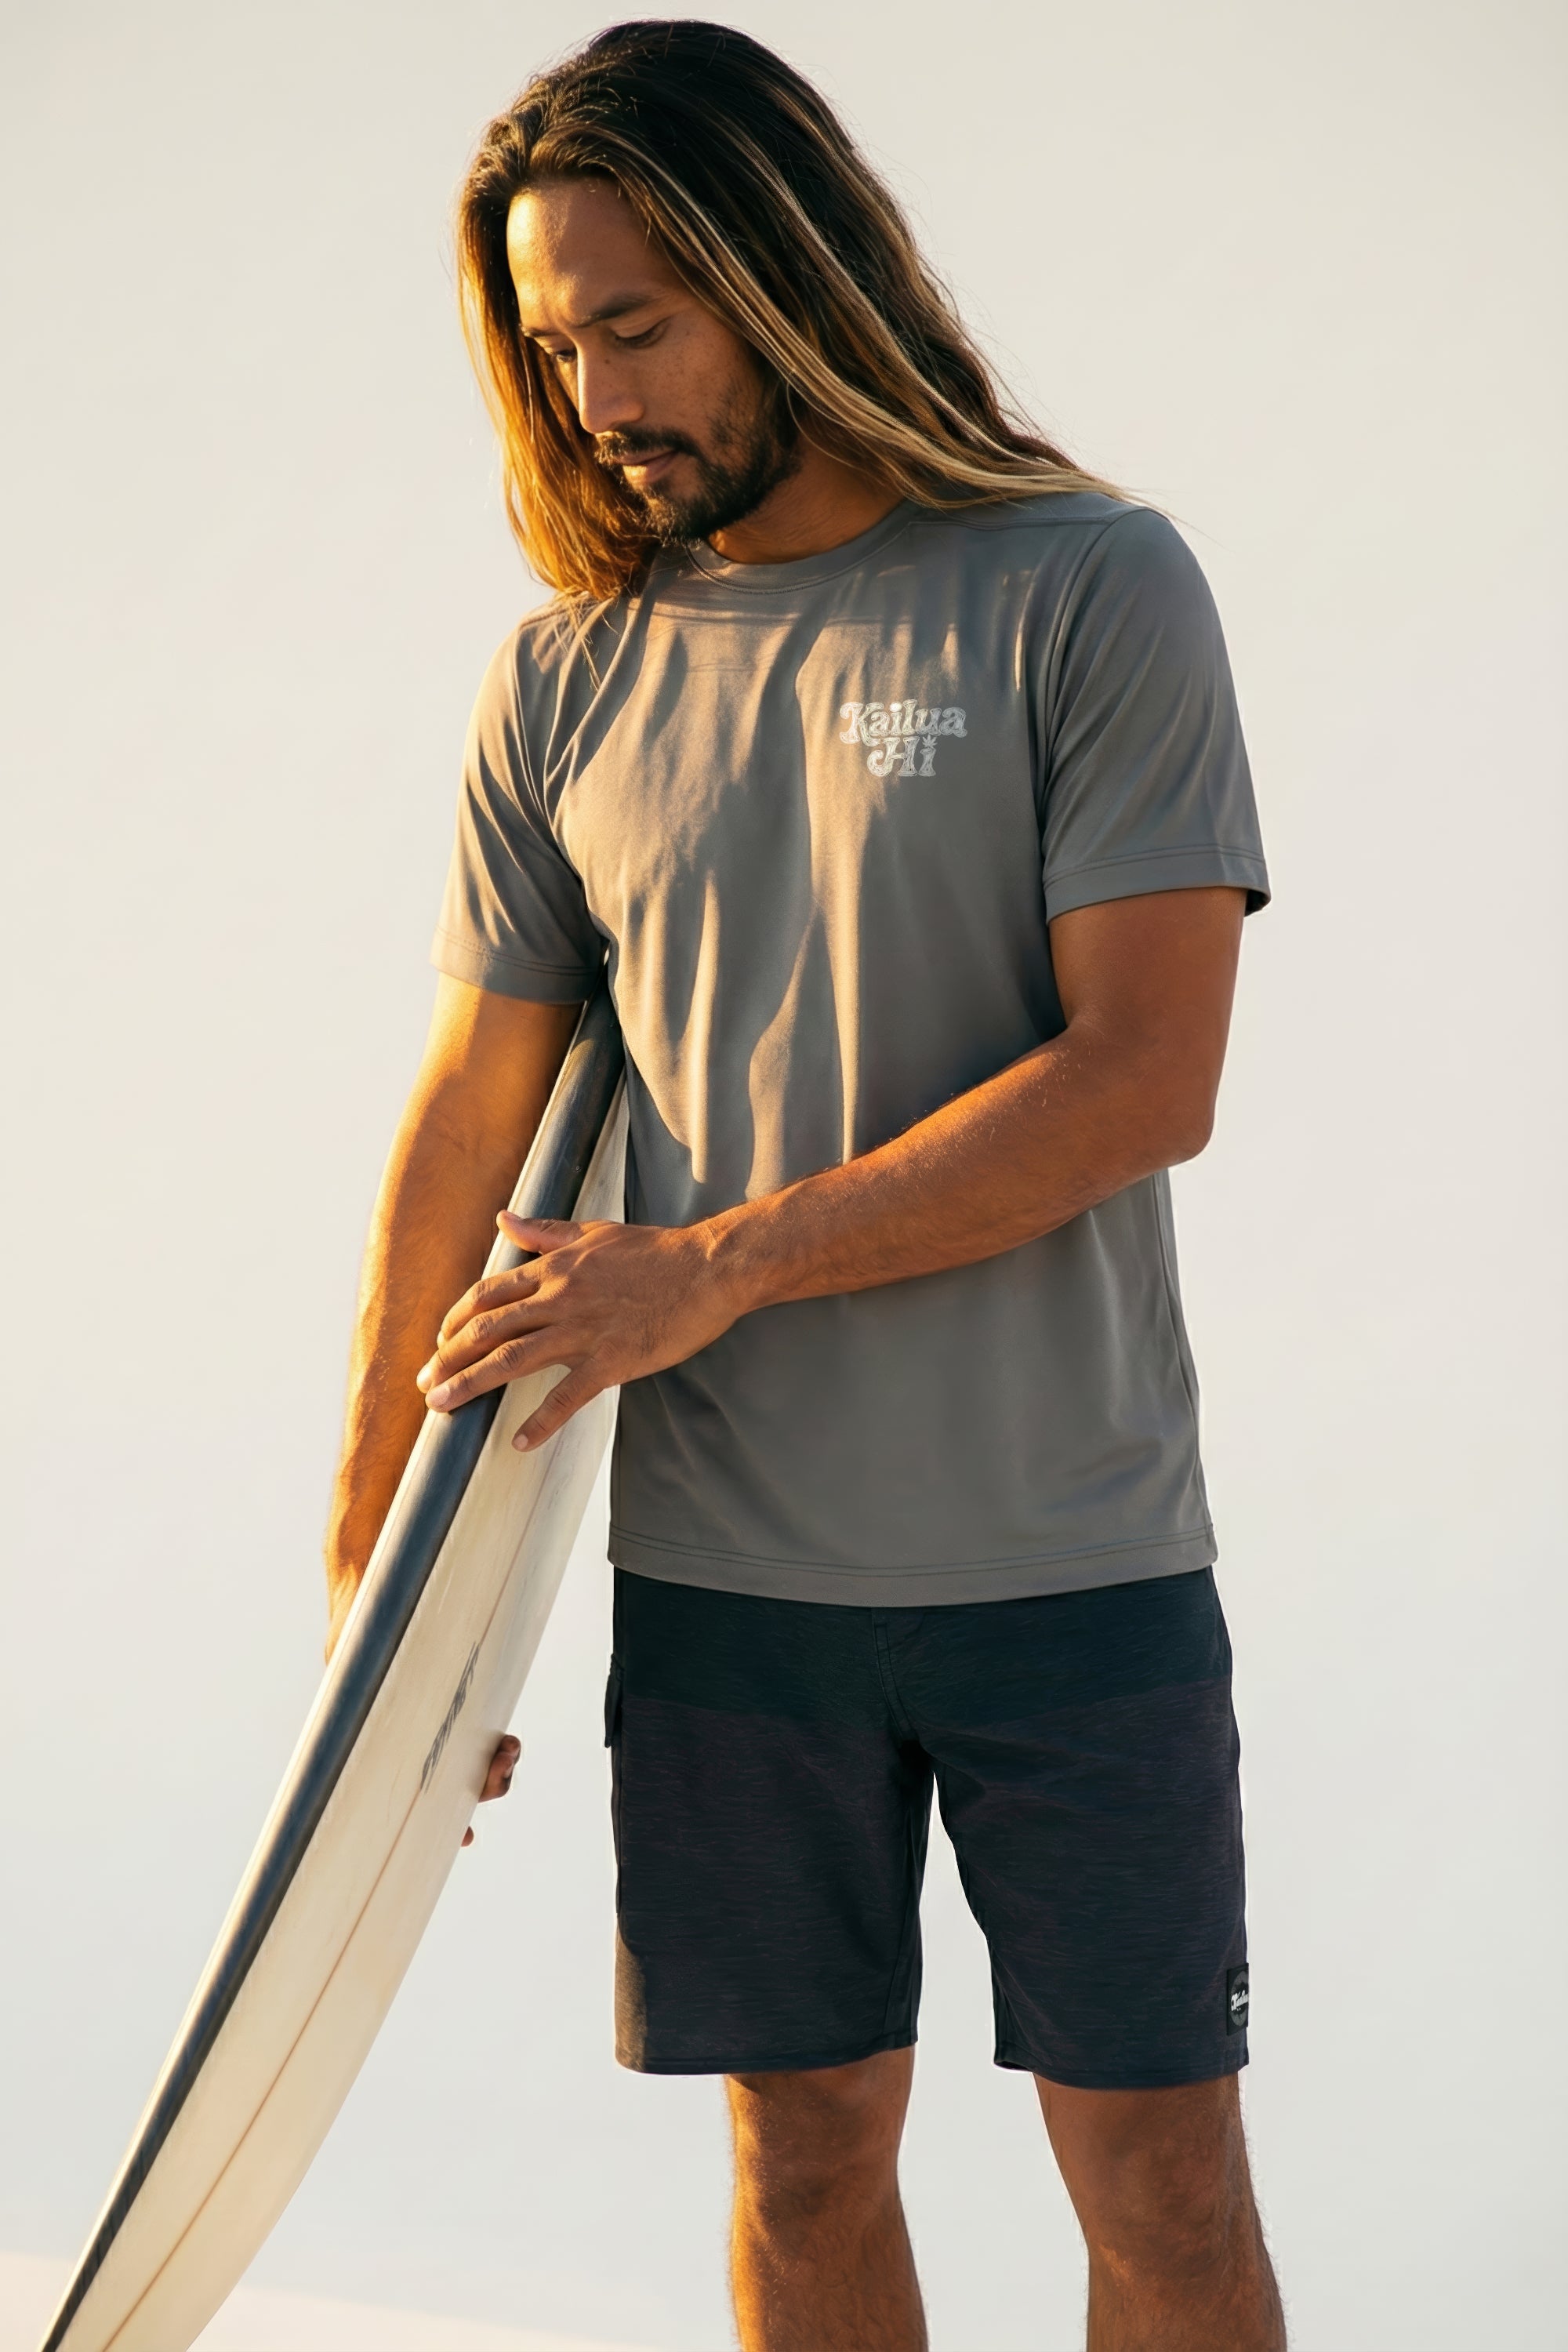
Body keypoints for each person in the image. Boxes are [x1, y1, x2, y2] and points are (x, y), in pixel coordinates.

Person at [324, 21, 1284, 2350]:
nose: (593, 401)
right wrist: (383, 1609)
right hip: (734, 1597)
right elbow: (462, 1131)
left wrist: (709, 1272)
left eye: (633, 327)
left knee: (1157, 2180)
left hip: (1073, 1566)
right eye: (553, 354)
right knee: (803, 2165)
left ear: (790, 267)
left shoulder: (1089, 586)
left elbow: (1145, 1079)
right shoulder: (565, 686)